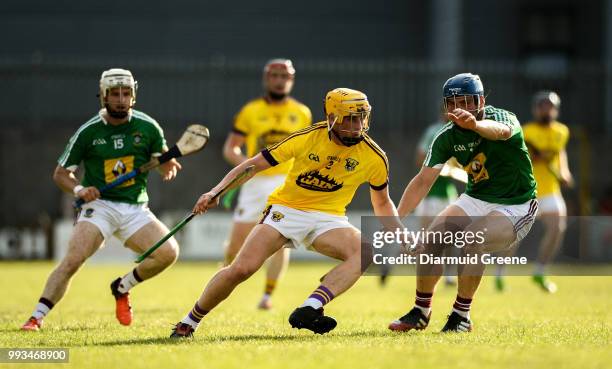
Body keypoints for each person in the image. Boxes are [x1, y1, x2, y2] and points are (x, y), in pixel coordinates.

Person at [170, 88, 400, 338]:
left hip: (329, 218)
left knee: (365, 253)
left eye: (361, 118)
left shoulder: (374, 156)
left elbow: (383, 202)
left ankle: (310, 307)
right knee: (241, 269)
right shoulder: (307, 137)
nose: (356, 126)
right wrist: (216, 192)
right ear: (332, 117)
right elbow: (252, 165)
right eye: (349, 118)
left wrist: (399, 233)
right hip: (287, 210)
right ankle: (189, 321)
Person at [21, 68, 182, 331]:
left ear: (134, 95)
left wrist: (168, 165)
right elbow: (61, 174)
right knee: (73, 259)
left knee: (168, 253)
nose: (121, 99)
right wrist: (79, 190)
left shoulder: (148, 126)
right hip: (100, 207)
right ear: (103, 97)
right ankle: (36, 317)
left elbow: (164, 157)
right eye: (115, 94)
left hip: (135, 209)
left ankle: (122, 287)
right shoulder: (88, 132)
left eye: (126, 93)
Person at [388, 73, 538, 333]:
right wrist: (395, 217)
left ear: (480, 101)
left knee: (473, 239)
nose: (461, 109)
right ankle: (420, 311)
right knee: (431, 240)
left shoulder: (503, 117)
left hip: (517, 203)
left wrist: (476, 127)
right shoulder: (447, 137)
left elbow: (500, 132)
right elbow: (423, 181)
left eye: (467, 101)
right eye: (453, 103)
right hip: (476, 197)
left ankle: (461, 316)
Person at [222, 59, 312, 309]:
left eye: (285, 76)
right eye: (275, 76)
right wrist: (246, 166)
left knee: (281, 240)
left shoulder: (302, 112)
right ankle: (223, 277)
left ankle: (267, 296)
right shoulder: (250, 111)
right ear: (266, 78)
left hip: (286, 183)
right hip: (255, 182)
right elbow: (231, 148)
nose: (280, 80)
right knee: (236, 244)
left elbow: (306, 151)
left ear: (291, 80)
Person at [495, 91, 573, 293]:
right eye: (543, 106)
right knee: (515, 236)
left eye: (550, 107)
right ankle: (500, 272)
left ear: (556, 110)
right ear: (535, 109)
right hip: (527, 192)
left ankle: (540, 270)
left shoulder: (562, 131)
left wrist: (564, 172)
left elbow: (559, 153)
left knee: (558, 227)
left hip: (550, 191)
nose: (547, 110)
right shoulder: (525, 132)